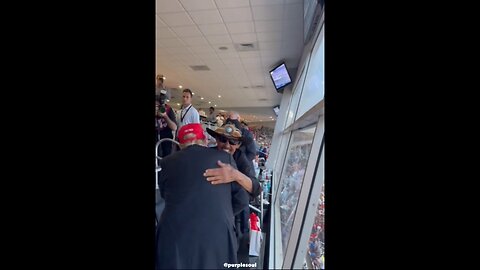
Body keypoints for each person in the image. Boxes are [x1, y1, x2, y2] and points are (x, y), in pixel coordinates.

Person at [156, 123, 248, 269]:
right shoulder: (225, 159)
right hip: (216, 236)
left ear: (180, 144)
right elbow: (242, 200)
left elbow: (165, 195)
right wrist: (221, 212)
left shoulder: (167, 162)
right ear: (205, 140)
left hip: (174, 235)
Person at [205, 124, 262, 238]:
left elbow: (256, 188)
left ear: (238, 144)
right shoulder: (207, 154)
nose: (227, 145)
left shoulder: (240, 158)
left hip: (228, 211)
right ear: (216, 139)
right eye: (223, 139)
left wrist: (235, 175)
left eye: (232, 142)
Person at [155, 90, 177, 157]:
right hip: (156, 136)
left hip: (166, 137)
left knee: (166, 156)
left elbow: (174, 127)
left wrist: (165, 116)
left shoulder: (168, 109)